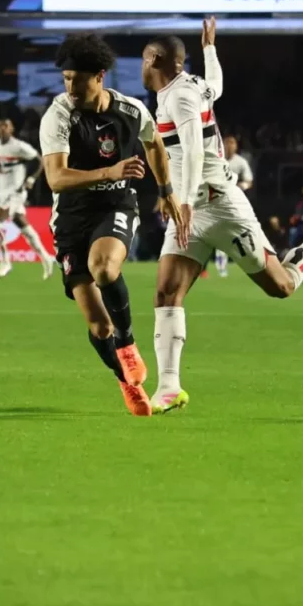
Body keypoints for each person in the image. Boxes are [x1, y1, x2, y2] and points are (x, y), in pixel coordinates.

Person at [143, 18, 303, 415]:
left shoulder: (179, 97)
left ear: (153, 59)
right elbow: (217, 85)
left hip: (220, 207)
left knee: (281, 287)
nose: (142, 67)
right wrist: (210, 49)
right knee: (166, 291)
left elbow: (193, 150)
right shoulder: (190, 86)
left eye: (143, 60)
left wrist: (183, 199)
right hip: (191, 209)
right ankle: (169, 387)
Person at [39, 33, 183, 417]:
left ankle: (129, 343)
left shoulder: (131, 111)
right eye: (66, 79)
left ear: (100, 76)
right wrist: (110, 170)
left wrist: (166, 190)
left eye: (78, 80)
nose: (70, 88)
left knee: (104, 267)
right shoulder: (58, 116)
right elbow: (56, 178)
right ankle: (126, 379)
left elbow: (154, 144)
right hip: (70, 218)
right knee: (99, 327)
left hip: (115, 204)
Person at [0, 118, 54, 280]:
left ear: (12, 129)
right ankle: (46, 257)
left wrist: (31, 179)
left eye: (6, 126)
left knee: (1, 221)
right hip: (3, 192)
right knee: (16, 224)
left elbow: (40, 161)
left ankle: (5, 262)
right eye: (0, 126)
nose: (2, 129)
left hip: (17, 190)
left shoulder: (19, 146)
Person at [214, 135, 254, 277]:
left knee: (242, 231)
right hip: (217, 200)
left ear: (236, 146)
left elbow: (249, 181)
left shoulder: (241, 162)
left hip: (237, 201)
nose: (230, 146)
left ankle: (249, 262)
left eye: (232, 143)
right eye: (227, 143)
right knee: (222, 233)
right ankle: (221, 265)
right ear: (222, 145)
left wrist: (240, 186)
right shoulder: (216, 159)